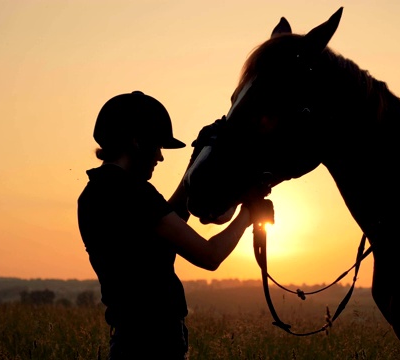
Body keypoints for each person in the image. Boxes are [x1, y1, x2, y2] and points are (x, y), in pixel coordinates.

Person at [77, 90, 262, 359]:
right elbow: (209, 256)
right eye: (157, 146)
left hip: (128, 339)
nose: (160, 157)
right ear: (136, 142)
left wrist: (194, 165)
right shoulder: (134, 194)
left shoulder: (96, 192)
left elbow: (167, 220)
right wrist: (249, 214)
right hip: (155, 342)